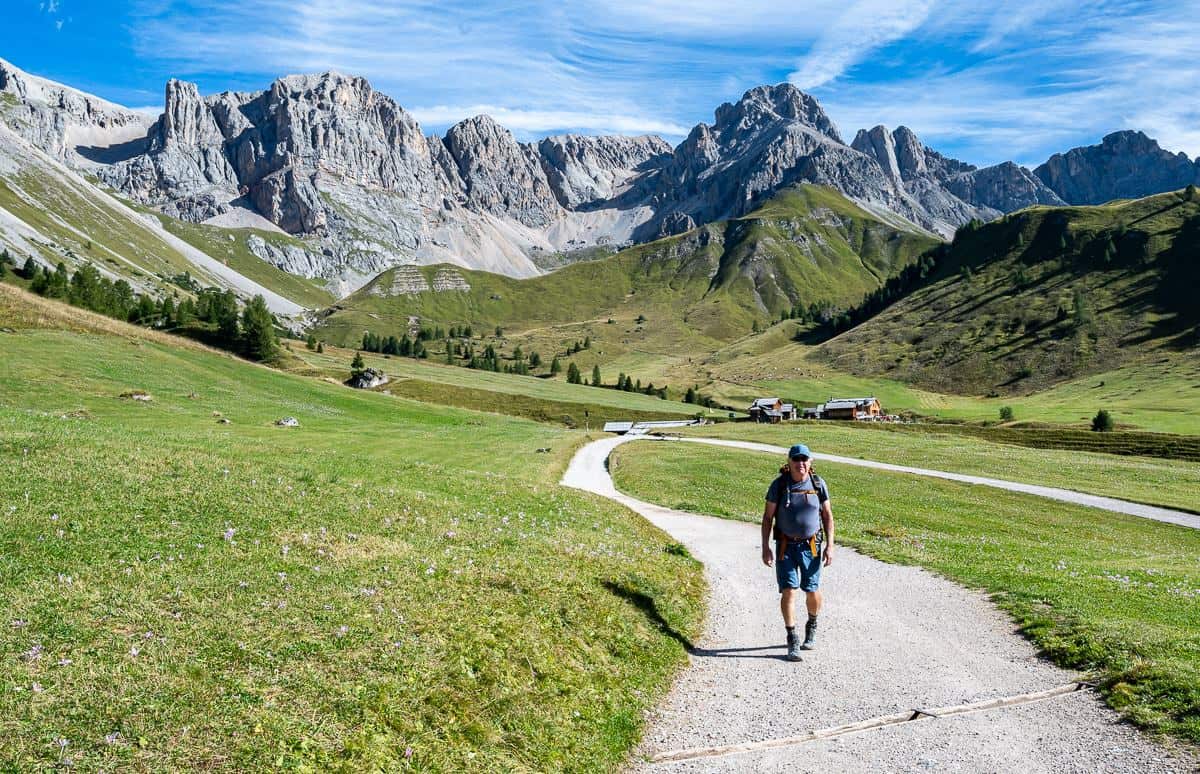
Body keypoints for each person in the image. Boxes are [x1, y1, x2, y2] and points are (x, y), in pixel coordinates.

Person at [761, 443, 835, 662]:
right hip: (785, 546)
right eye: (796, 459)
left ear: (810, 462)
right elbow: (767, 518)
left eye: (804, 459)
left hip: (811, 546)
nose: (800, 463)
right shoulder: (779, 485)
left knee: (812, 590)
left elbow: (828, 516)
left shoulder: (818, 484)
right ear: (789, 462)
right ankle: (792, 637)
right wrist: (765, 547)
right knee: (789, 591)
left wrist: (830, 545)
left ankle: (812, 623)